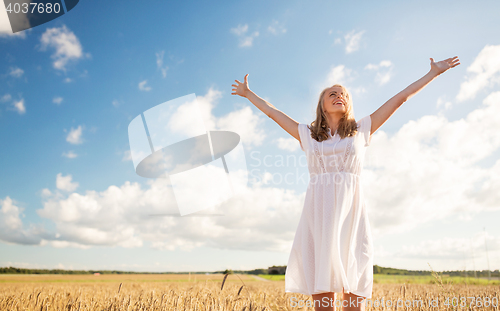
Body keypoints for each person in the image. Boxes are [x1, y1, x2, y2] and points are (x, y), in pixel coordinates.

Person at [231, 56, 460, 311]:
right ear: (322, 104)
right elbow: (273, 113)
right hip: (319, 216)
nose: (340, 95)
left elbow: (399, 98)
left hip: (352, 214)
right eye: (332, 93)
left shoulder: (362, 129)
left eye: (344, 94)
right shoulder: (307, 134)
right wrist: (249, 94)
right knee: (324, 302)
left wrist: (433, 74)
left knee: (354, 297)